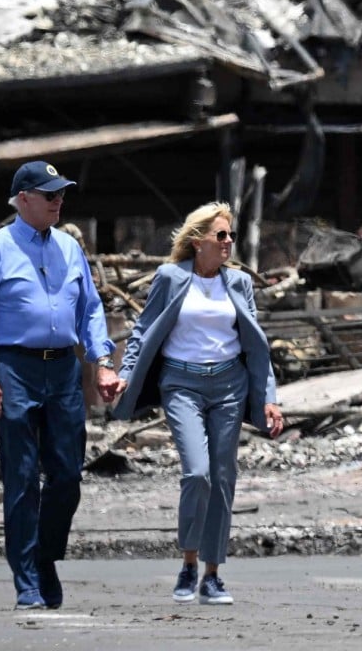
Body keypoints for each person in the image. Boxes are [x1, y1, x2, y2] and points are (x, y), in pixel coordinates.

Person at [0, 159, 121, 610]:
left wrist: (103, 363)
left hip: (64, 370)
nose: (59, 201)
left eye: (62, 193)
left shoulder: (70, 249)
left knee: (68, 475)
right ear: (24, 199)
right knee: (22, 477)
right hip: (14, 367)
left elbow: (90, 309)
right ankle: (27, 580)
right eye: (50, 194)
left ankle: (46, 555)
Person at [112, 201, 283, 606]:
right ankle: (188, 563)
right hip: (181, 384)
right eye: (220, 235)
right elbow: (142, 330)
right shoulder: (171, 277)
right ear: (197, 240)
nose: (228, 242)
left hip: (229, 385)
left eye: (231, 236)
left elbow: (255, 346)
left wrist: (269, 399)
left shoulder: (238, 282)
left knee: (223, 478)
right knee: (197, 474)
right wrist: (126, 372)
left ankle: (212, 575)